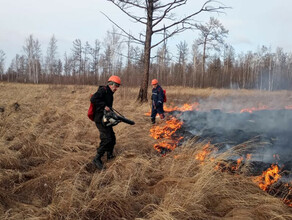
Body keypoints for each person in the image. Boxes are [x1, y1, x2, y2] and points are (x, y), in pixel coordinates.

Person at [90, 75, 121, 170]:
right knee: (106, 138)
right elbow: (93, 99)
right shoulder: (103, 90)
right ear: (110, 84)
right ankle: (97, 158)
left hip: (105, 118)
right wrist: (104, 106)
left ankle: (110, 155)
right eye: (115, 86)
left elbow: (108, 107)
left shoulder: (110, 93)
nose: (116, 88)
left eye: (118, 86)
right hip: (99, 119)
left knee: (112, 137)